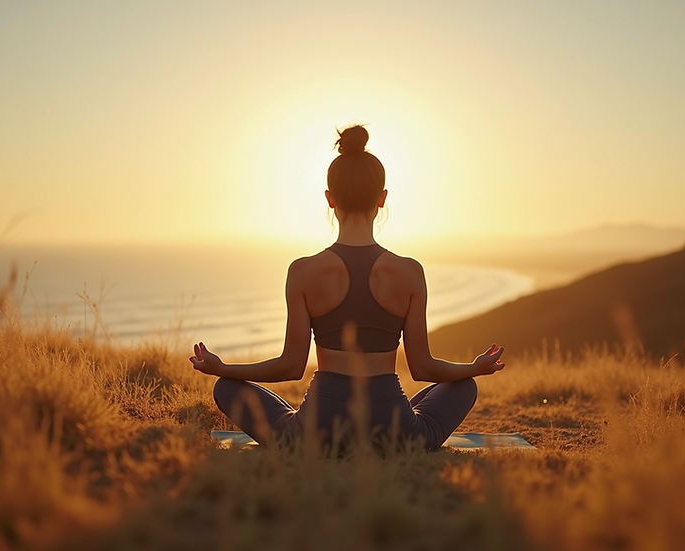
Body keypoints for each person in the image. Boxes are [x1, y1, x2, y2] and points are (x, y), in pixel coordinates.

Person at [190, 125, 506, 451]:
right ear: (382, 199)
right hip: (396, 432)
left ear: (329, 199)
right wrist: (474, 368)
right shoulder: (409, 272)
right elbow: (423, 367)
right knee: (463, 385)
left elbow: (291, 365)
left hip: (315, 431)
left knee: (226, 387)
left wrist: (222, 368)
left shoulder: (302, 271)